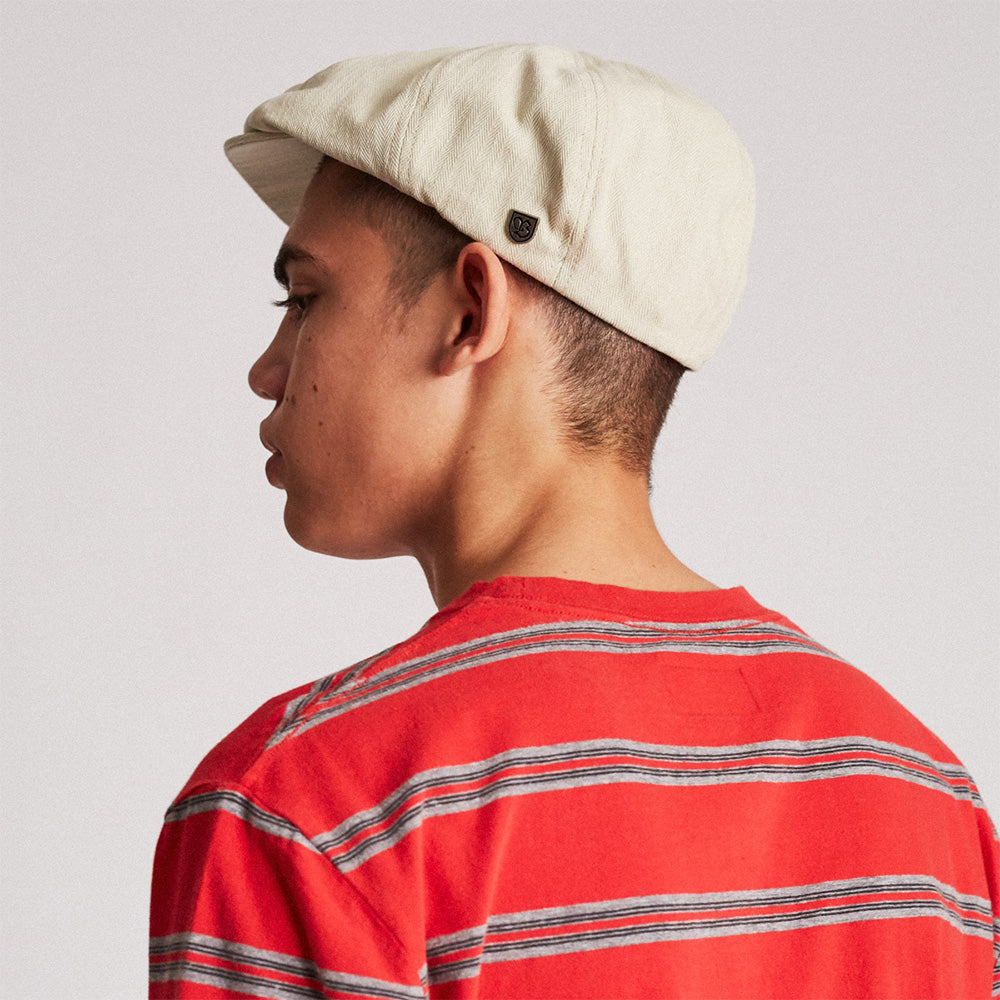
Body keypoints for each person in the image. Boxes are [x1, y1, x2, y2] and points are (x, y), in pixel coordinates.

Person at [149, 44, 999, 998]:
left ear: (470, 311)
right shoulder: (922, 794)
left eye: (304, 298)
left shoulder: (312, 808)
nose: (267, 368)